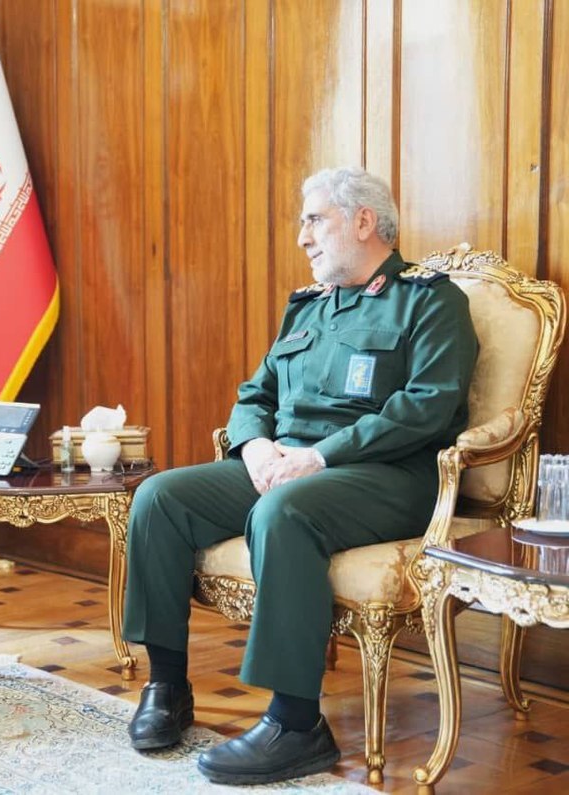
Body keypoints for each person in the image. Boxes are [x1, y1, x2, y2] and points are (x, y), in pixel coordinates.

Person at [121, 167, 478, 785]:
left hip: (387, 474)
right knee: (159, 497)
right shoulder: (309, 307)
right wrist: (256, 447)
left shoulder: (430, 301)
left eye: (314, 219)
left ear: (364, 221)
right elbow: (254, 394)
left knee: (282, 511)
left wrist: (320, 456)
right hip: (288, 465)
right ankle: (168, 686)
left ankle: (296, 724)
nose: (302, 236)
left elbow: (427, 406)